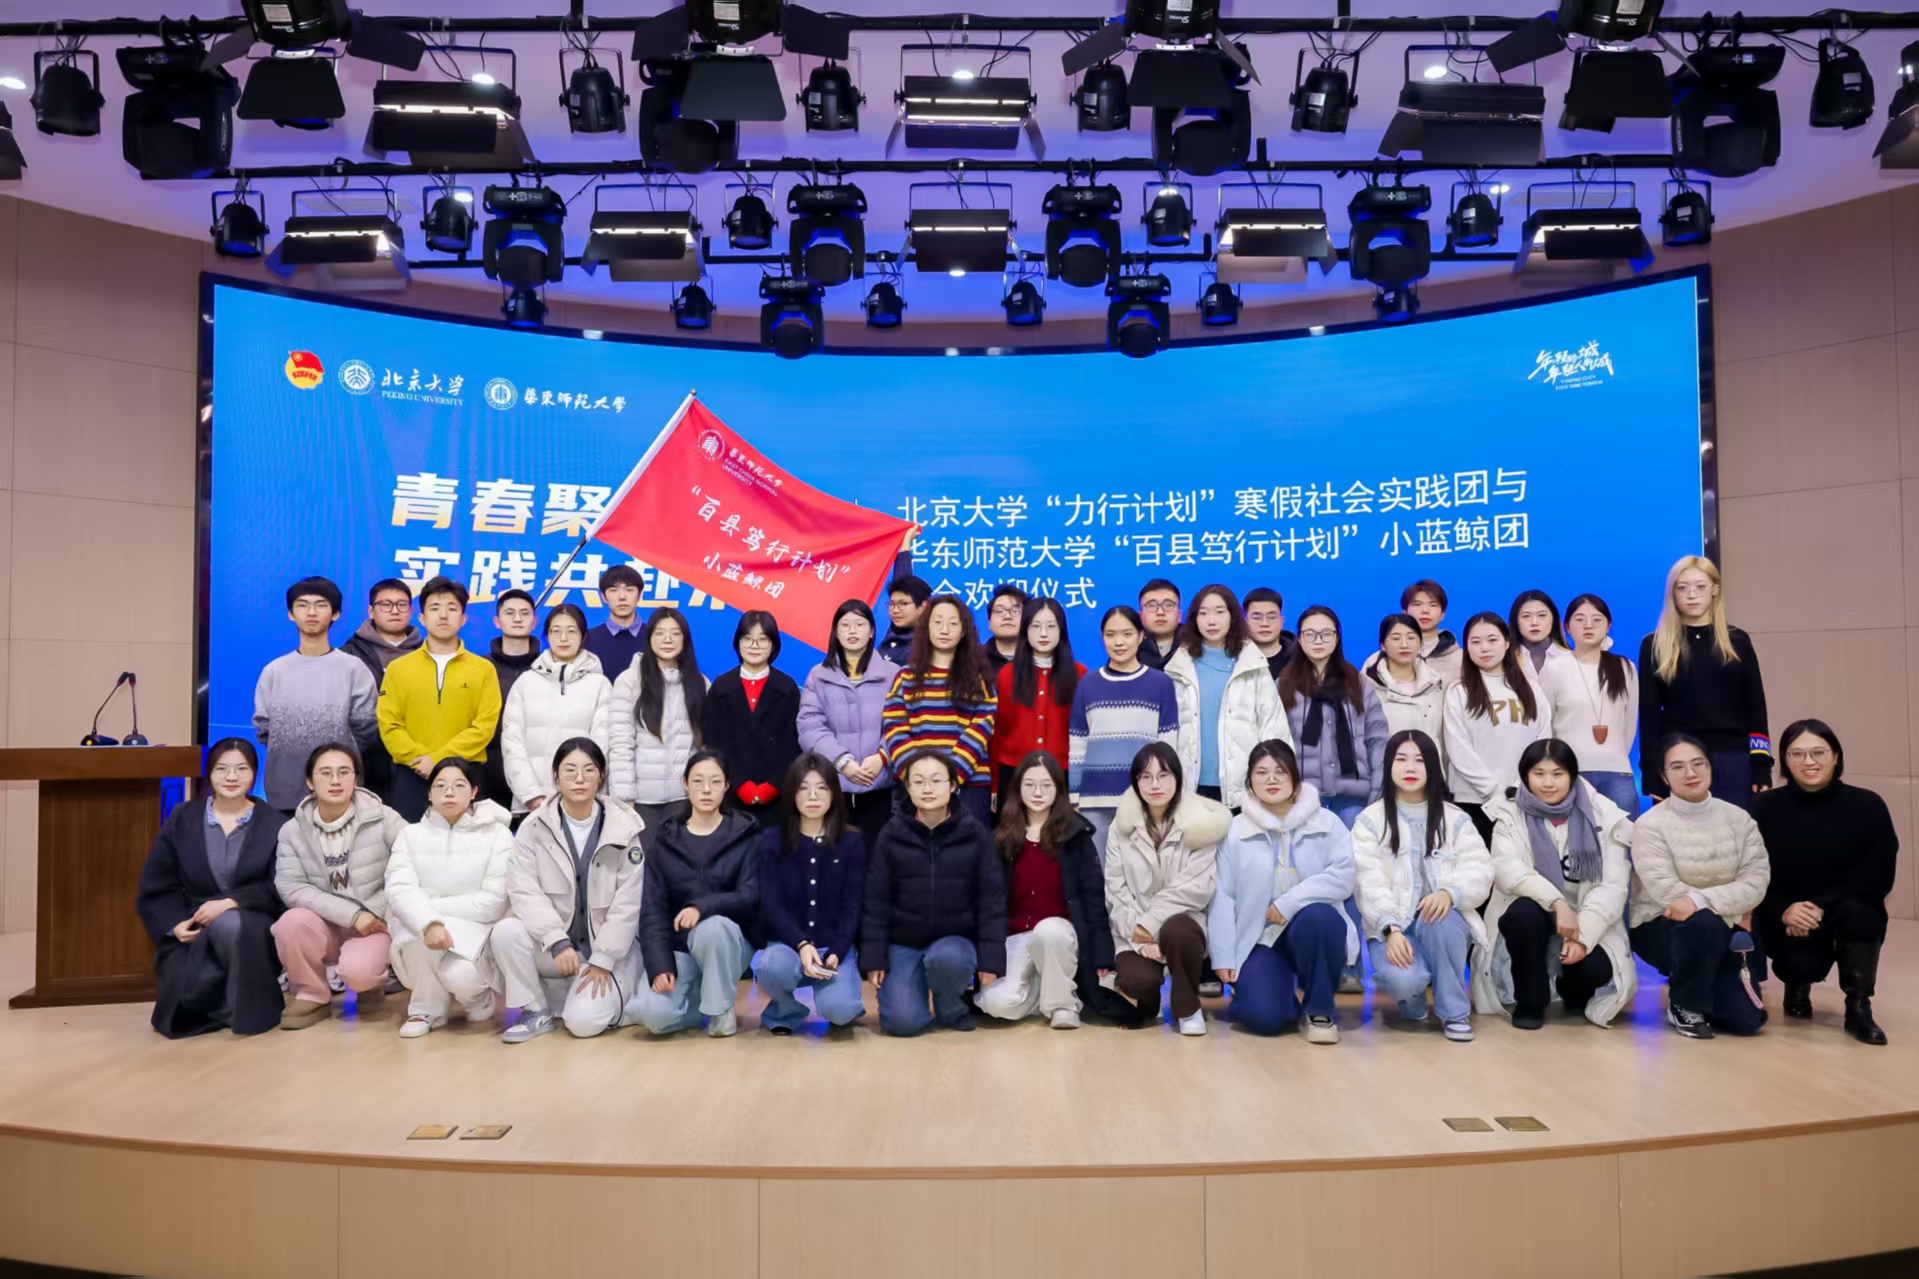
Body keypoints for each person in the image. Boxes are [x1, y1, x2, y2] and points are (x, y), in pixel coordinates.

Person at [1476, 739, 1638, 1029]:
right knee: (1521, 915)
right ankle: (1531, 1002)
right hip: (1539, 910)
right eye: (1538, 773)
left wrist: (1581, 937)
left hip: (1586, 918)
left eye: (1558, 773)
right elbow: (1507, 870)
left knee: (1593, 967)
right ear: (1525, 775)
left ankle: (1573, 989)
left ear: (1572, 775)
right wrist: (1557, 903)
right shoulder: (1508, 812)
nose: (1548, 783)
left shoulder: (1604, 813)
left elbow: (1612, 887)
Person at [493, 738, 646, 1042]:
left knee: (583, 1024)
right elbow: (525, 892)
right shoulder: (533, 827)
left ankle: (605, 999)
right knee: (505, 932)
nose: (579, 778)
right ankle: (536, 1011)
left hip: (606, 953)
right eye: (570, 770)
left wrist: (604, 959)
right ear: (555, 777)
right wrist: (556, 940)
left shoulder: (624, 827)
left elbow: (628, 904)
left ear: (601, 776)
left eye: (589, 770)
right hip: (557, 948)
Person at [1753, 720, 1896, 1045]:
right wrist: (1784, 909)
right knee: (1801, 965)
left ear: (1836, 757)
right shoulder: (1763, 807)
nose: (1809, 762)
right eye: (1797, 754)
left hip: (1843, 908)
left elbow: (1879, 874)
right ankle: (1796, 986)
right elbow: (1750, 872)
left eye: (1818, 752)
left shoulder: (1868, 805)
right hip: (1786, 916)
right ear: (1785, 760)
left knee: (1865, 913)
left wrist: (1821, 907)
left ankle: (1858, 1005)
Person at [135, 740, 289, 1038]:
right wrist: (173, 924)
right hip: (194, 918)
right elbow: (159, 882)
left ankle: (246, 1011)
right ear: (209, 773)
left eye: (241, 769)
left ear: (254, 774)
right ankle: (220, 1008)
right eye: (222, 769)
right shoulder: (183, 818)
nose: (231, 777)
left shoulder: (275, 824)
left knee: (230, 924)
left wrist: (231, 902)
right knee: (181, 988)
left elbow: (280, 884)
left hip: (253, 916)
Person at [1207, 741, 1355, 1041]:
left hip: (1311, 931)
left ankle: (1319, 1010)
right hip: (1259, 938)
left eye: (1280, 771)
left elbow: (1343, 877)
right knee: (1266, 1018)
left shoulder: (1327, 822)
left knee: (1321, 917)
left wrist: (1289, 903)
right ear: (1249, 781)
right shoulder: (1234, 830)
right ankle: (1272, 994)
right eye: (1261, 772)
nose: (1271, 779)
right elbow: (1223, 895)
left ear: (1295, 777)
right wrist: (1223, 956)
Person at [1352, 730, 1492, 1042]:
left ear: (1432, 766)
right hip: (1393, 924)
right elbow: (1367, 882)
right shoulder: (1370, 821)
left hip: (1441, 922)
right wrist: (1390, 929)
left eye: (1419, 760)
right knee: (1403, 980)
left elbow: (1481, 868)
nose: (1410, 768)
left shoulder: (1455, 818)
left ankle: (1454, 1013)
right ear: (1388, 766)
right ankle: (1412, 992)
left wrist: (1449, 893)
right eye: (1401, 759)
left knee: (1443, 922)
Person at [1629, 734, 1771, 1039]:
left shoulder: (1739, 818)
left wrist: (1700, 901)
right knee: (1703, 923)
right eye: (1677, 767)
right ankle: (1685, 1005)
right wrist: (1724, 909)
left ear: (1710, 767)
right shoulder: (1649, 825)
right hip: (1662, 925)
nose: (1690, 773)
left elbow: (1756, 881)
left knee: (1748, 1022)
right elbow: (1664, 889)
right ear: (1664, 776)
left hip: (1726, 925)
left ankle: (1701, 982)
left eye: (1698, 764)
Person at [980, 751, 1129, 1029]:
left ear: (1058, 789)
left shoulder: (1075, 836)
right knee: (995, 1004)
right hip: (1016, 940)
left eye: (1046, 785)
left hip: (1059, 938)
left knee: (1048, 931)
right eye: (1029, 785)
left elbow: (1094, 899)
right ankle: (1043, 988)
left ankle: (1062, 1004)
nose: (1038, 793)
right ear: (1018, 788)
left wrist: (1102, 954)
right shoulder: (1001, 838)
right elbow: (988, 903)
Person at [863, 750, 1007, 1036]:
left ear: (953, 785)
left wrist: (990, 959)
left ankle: (951, 1007)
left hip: (954, 942)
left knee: (949, 958)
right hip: (903, 943)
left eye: (936, 780)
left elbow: (991, 900)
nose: (927, 789)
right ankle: (911, 992)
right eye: (918, 781)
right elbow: (875, 901)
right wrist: (874, 957)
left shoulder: (974, 833)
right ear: (907, 788)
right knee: (902, 1023)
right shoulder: (891, 834)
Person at [270, 743, 406, 1029]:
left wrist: (387, 914)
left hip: (375, 924)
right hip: (326, 924)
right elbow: (291, 886)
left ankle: (370, 984)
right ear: (310, 781)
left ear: (356, 779)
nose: (335, 780)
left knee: (359, 971)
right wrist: (352, 915)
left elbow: (411, 865)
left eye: (344, 772)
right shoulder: (292, 830)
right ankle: (311, 993)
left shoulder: (384, 818)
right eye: (326, 773)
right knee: (290, 924)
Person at [630, 751, 761, 1038]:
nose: (706, 789)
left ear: (727, 786)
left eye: (715, 782)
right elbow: (653, 910)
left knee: (713, 928)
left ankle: (719, 1011)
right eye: (698, 781)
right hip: (682, 949)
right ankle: (699, 1005)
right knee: (654, 1017)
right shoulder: (665, 839)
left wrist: (702, 908)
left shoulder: (746, 833)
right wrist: (660, 964)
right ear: (685, 784)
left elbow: (752, 896)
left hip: (731, 946)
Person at [383, 757, 514, 1038]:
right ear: (429, 794)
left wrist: (431, 912)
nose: (449, 792)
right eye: (440, 786)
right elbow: (399, 888)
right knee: (417, 933)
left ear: (474, 792)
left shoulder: (498, 834)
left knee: (461, 975)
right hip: (427, 932)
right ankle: (425, 1009)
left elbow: (493, 901)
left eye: (459, 785)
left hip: (477, 931)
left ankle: (477, 999)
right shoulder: (410, 835)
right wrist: (428, 923)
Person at [1105, 742, 1229, 1035]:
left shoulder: (1200, 823)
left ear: (1178, 778)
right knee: (1138, 980)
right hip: (1134, 929)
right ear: (1136, 782)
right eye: (1145, 777)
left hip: (1181, 924)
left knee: (1181, 932)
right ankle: (1148, 1002)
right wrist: (1140, 937)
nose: (1155, 784)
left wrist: (1151, 924)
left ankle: (1188, 1008)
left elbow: (1196, 888)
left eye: (1163, 775)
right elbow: (1116, 891)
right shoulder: (1120, 827)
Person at [1639, 556, 1772, 809]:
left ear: (1714, 590)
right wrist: (1651, 773)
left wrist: (1761, 765)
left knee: (1734, 830)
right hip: (1679, 758)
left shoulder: (1737, 641)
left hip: (1733, 757)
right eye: (1683, 587)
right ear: (1673, 594)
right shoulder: (1654, 645)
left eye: (1700, 586)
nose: (1692, 594)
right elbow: (1649, 716)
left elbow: (1756, 708)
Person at [754, 754, 868, 1034]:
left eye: (821, 788)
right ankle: (785, 1010)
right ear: (792, 794)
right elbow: (772, 903)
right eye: (803, 788)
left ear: (834, 793)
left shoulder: (852, 842)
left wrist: (838, 951)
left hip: (834, 948)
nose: (813, 796)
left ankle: (843, 995)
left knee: (840, 1012)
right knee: (770, 966)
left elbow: (853, 905)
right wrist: (802, 944)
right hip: (788, 948)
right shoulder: (772, 840)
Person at [375, 576, 503, 823]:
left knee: (468, 842)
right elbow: (389, 724)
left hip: (467, 775)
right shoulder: (398, 668)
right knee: (411, 842)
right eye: (434, 608)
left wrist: (438, 760)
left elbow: (484, 727)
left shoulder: (483, 669)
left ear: (463, 619)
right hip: (412, 774)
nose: (443, 616)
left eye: (452, 608)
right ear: (422, 618)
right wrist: (420, 760)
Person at [253, 576, 378, 814]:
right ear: (291, 614)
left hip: (340, 794)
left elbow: (367, 728)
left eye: (321, 605)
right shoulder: (274, 671)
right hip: (283, 792)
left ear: (336, 613)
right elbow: (264, 729)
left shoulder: (354, 668)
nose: (311, 612)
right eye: (302, 605)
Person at [1162, 584, 1291, 810]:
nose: (1211, 621)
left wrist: (1278, 780)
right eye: (1203, 613)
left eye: (1220, 612)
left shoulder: (1252, 663)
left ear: (1233, 616)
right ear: (1194, 619)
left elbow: (1274, 727)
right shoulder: (1178, 667)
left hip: (1244, 787)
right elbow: (1168, 732)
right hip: (1190, 786)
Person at [1069, 605, 1181, 859]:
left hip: (1145, 799)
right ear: (1102, 638)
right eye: (1110, 635)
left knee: (1144, 872)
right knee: (1098, 873)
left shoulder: (1160, 683)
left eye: (1127, 634)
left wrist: (1166, 794)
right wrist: (1074, 797)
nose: (1119, 642)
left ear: (1141, 636)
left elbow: (1168, 746)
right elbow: (1077, 744)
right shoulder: (1087, 683)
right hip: (1095, 801)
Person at [881, 595, 998, 826]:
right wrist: (918, 777)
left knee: (968, 848)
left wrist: (949, 778)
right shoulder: (905, 677)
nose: (945, 630)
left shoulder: (981, 680)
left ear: (963, 631)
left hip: (968, 786)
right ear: (926, 628)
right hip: (914, 788)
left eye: (953, 623)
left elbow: (981, 728)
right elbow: (895, 728)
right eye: (937, 622)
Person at [797, 599, 901, 853]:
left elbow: (902, 721)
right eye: (845, 625)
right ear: (836, 632)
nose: (852, 631)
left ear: (872, 631)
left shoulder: (893, 674)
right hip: (834, 785)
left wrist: (882, 757)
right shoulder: (818, 676)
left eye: (859, 624)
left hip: (881, 784)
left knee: (877, 857)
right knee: (835, 857)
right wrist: (842, 762)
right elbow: (810, 726)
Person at [1276, 605, 1389, 828]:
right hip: (1301, 793)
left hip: (1352, 792)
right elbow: (1275, 742)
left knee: (1353, 847)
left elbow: (1377, 740)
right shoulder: (1284, 685)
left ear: (1337, 638)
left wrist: (1376, 791)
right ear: (1300, 639)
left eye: (1327, 634)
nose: (1318, 641)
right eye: (1310, 634)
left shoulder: (1358, 683)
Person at [1444, 613, 1551, 844]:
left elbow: (1543, 740)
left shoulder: (1531, 688)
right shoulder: (1458, 691)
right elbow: (1458, 747)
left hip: (1523, 797)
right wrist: (1493, 790)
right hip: (1472, 800)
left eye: (1492, 640)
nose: (1484, 648)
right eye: (1475, 642)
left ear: (1507, 642)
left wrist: (1519, 786)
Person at [500, 603, 613, 814]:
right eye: (555, 631)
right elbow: (512, 743)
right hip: (531, 806)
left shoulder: (600, 685)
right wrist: (531, 796)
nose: (563, 638)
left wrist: (580, 792)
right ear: (547, 635)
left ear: (583, 636)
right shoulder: (525, 683)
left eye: (571, 631)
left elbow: (602, 744)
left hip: (583, 803)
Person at [607, 606, 709, 832]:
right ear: (649, 638)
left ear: (685, 639)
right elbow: (620, 742)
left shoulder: (700, 683)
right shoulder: (629, 681)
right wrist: (624, 797)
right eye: (660, 633)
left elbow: (704, 746)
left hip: (685, 798)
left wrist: (702, 790)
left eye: (675, 633)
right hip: (642, 801)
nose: (667, 640)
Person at [699, 610, 802, 819]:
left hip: (777, 796)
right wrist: (738, 783)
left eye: (762, 639)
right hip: (731, 793)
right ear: (738, 643)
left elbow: (792, 742)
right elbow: (714, 740)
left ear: (773, 645)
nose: (755, 646)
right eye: (748, 639)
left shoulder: (786, 687)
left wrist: (774, 785)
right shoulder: (722, 686)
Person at [992, 597, 1086, 807]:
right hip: (1013, 773)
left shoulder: (1079, 674)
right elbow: (998, 732)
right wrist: (995, 784)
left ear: (1062, 631)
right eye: (1036, 626)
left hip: (1062, 774)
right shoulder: (1008, 674)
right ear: (1025, 630)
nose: (1043, 634)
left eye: (1051, 626)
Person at [341, 578, 422, 800]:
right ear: (371, 611)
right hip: (365, 761)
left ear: (411, 611)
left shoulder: (429, 652)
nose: (394, 611)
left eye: (401, 604)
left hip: (417, 759)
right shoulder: (349, 655)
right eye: (385, 604)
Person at [1560, 594, 1641, 814]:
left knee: (1624, 834)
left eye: (1597, 619)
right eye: (1579, 619)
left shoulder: (1625, 667)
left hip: (1617, 772)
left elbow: (1630, 722)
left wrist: (1616, 755)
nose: (1588, 625)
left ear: (1608, 625)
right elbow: (1546, 723)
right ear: (1567, 627)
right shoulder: (1555, 667)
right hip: (1570, 772)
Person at [1362, 612, 1450, 776]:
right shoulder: (1367, 688)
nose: (1404, 644)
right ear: (1383, 645)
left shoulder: (1436, 685)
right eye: (1396, 638)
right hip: (1385, 777)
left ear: (1420, 643)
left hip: (1431, 777)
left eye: (1411, 637)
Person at [482, 589, 542, 811]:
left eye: (524, 613)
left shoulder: (548, 667)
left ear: (534, 622)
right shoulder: (480, 667)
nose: (518, 619)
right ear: (497, 621)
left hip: (536, 771)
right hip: (488, 771)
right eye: (510, 613)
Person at [1388, 579, 1463, 685]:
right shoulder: (1383, 659)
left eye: (1433, 605)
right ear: (1404, 612)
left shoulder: (1462, 660)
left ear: (1442, 615)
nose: (1425, 610)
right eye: (1417, 604)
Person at [583, 563, 647, 676]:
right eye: (613, 590)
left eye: (629, 590)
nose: (622, 597)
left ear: (639, 595)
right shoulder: (588, 639)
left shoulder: (655, 636)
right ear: (603, 597)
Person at [1242, 587, 1297, 680]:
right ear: (1245, 622)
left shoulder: (1300, 659)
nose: (1264, 623)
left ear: (1281, 621)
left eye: (1271, 617)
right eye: (1257, 618)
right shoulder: (1233, 660)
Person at [876, 574, 931, 666]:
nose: (895, 610)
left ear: (923, 606)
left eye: (903, 604)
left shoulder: (930, 642)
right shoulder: (891, 637)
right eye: (892, 604)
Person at [984, 583, 1030, 679]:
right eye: (1000, 611)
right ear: (989, 622)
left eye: (1015, 611)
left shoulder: (1039, 659)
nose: (1007, 616)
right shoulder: (974, 660)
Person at [1136, 579, 1183, 671]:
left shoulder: (1196, 644)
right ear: (1141, 616)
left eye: (1168, 605)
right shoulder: (1130, 647)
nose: (1160, 612)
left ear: (1179, 615)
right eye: (1152, 606)